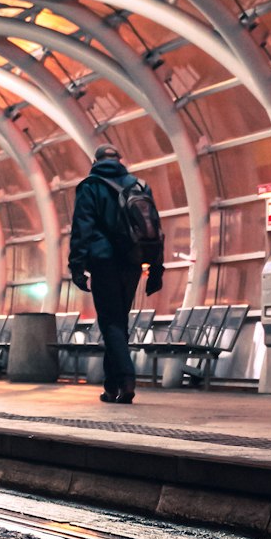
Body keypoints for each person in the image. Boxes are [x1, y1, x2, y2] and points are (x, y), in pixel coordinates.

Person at [68, 145, 164, 404]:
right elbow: (155, 227)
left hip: (104, 262)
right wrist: (156, 267)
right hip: (132, 262)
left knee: (110, 323)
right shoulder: (140, 186)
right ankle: (112, 387)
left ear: (95, 160)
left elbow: (82, 228)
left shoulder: (91, 186)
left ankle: (127, 378)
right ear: (120, 161)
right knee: (118, 322)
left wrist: (76, 265)